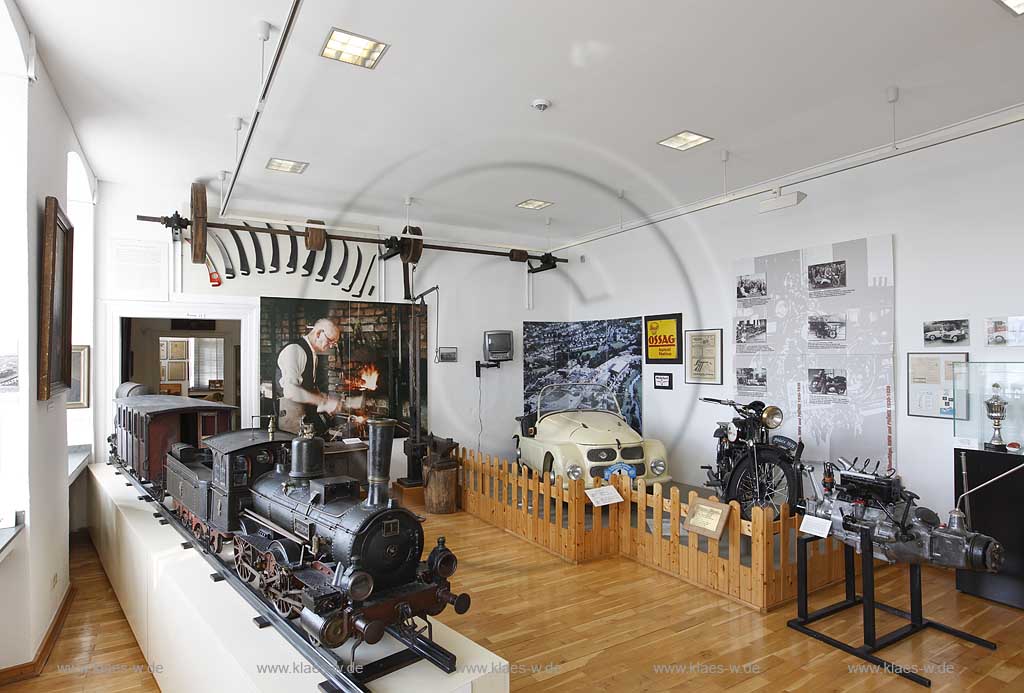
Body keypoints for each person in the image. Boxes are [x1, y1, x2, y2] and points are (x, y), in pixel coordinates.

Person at [275, 318, 343, 433]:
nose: (331, 346)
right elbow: (290, 391)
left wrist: (323, 398)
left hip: (304, 419)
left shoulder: (312, 354)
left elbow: (306, 385)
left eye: (334, 343)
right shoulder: (294, 351)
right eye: (330, 340)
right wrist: (322, 402)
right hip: (290, 422)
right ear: (318, 333)